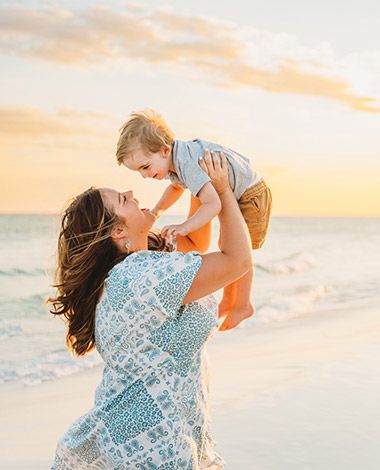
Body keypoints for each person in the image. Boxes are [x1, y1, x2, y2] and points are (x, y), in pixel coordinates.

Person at [49, 152, 252, 469]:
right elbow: (236, 261)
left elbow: (196, 243)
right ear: (117, 231)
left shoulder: (140, 267)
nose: (131, 193)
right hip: (147, 446)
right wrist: (224, 192)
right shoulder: (140, 277)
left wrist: (194, 175)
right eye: (122, 199)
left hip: (149, 434)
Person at [116, 109, 272, 331]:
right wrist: (158, 210)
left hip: (251, 194)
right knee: (224, 245)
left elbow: (213, 204)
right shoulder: (176, 160)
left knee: (241, 249)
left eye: (145, 167)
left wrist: (184, 227)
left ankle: (243, 304)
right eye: (139, 171)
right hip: (240, 193)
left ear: (164, 150)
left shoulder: (187, 163)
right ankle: (229, 300)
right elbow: (176, 187)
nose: (144, 176)